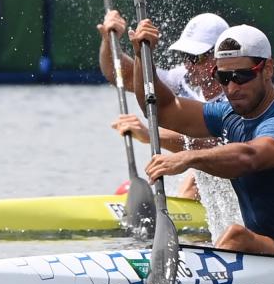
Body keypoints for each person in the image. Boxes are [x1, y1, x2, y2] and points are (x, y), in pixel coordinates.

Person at [128, 21, 274, 257]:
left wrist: (189, 158)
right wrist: (141, 56)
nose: (231, 87)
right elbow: (163, 108)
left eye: (241, 76)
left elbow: (250, 157)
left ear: (267, 69)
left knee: (236, 236)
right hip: (268, 253)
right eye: (223, 77)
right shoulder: (228, 116)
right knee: (236, 238)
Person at [97, 11, 227, 200]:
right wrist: (111, 41)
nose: (189, 65)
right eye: (185, 55)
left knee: (194, 181)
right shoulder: (182, 78)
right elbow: (124, 77)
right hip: (205, 171)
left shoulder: (237, 95)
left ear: (220, 56)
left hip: (236, 176)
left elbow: (214, 147)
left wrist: (150, 135)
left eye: (196, 58)